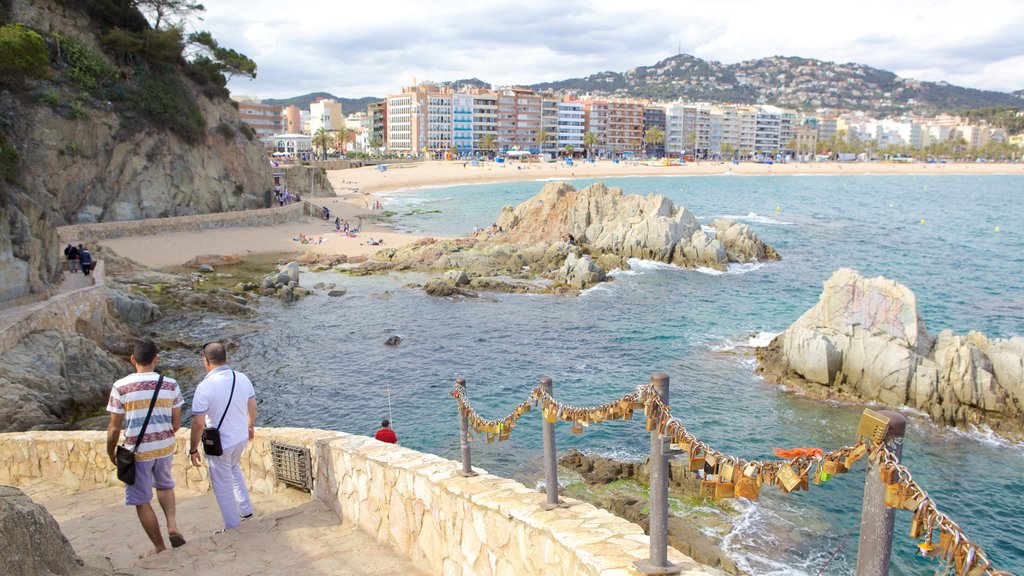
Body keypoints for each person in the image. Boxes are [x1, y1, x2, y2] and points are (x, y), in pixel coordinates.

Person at [106, 339, 186, 553]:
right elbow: (176, 423)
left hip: (137, 452)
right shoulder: (170, 384)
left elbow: (114, 427)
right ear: (155, 359)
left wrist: (110, 451)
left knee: (142, 500)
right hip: (165, 446)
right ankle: (172, 525)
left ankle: (159, 547)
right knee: (165, 485)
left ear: (133, 360)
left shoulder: (120, 387)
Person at [189, 342, 257, 533]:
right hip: (240, 438)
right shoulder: (242, 378)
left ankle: (232, 527)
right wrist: (250, 425)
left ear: (206, 361)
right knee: (233, 468)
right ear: (225, 357)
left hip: (220, 445)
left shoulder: (204, 387)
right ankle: (245, 510)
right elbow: (252, 407)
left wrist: (193, 448)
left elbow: (198, 423)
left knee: (222, 484)